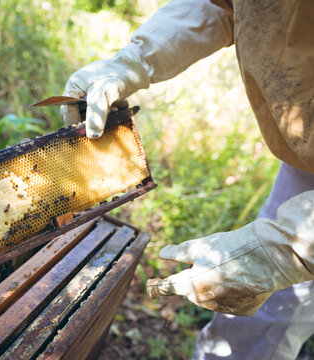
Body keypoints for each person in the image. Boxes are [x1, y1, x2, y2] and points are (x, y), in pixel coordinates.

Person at [60, 0, 314, 358]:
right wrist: (132, 61)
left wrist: (291, 249)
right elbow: (220, 5)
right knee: (253, 314)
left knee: (280, 303)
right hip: (306, 158)